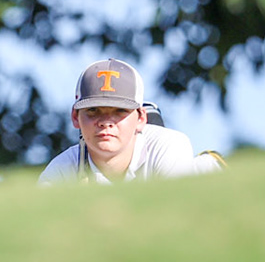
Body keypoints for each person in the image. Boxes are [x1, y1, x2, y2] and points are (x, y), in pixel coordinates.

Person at [39, 57, 210, 184]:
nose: (106, 122)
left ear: (141, 118)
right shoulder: (60, 171)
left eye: (120, 111)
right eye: (93, 110)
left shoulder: (169, 146)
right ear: (75, 117)